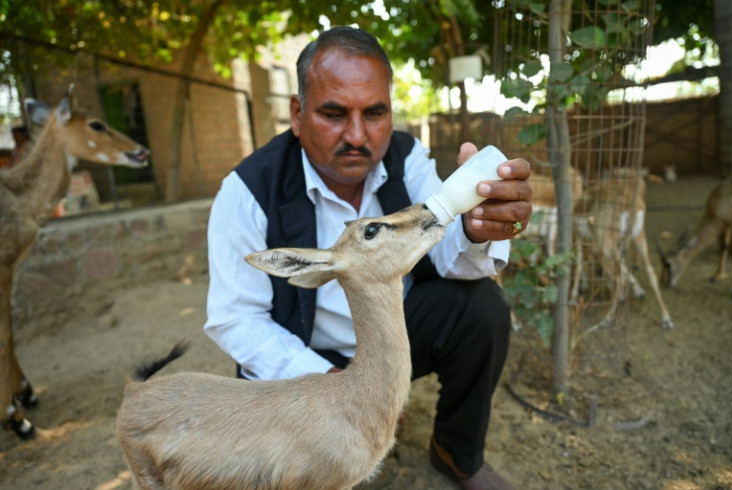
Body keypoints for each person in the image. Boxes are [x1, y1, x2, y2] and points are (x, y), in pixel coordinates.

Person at [204, 26, 532, 490]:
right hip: (307, 353)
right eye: (334, 113)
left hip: (391, 340)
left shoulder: (405, 156)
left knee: (482, 308)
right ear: (297, 114)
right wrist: (331, 385)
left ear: (391, 111)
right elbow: (235, 319)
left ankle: (457, 455)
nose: (357, 136)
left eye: (375, 113)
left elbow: (452, 256)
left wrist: (479, 230)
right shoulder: (249, 190)